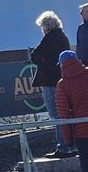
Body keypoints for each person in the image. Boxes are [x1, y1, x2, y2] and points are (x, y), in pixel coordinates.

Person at [30, 11, 74, 158]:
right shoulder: (64, 37)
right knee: (66, 113)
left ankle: (63, 147)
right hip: (64, 79)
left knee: (55, 114)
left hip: (49, 79)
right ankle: (72, 145)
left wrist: (43, 60)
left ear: (46, 27)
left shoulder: (49, 38)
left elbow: (34, 56)